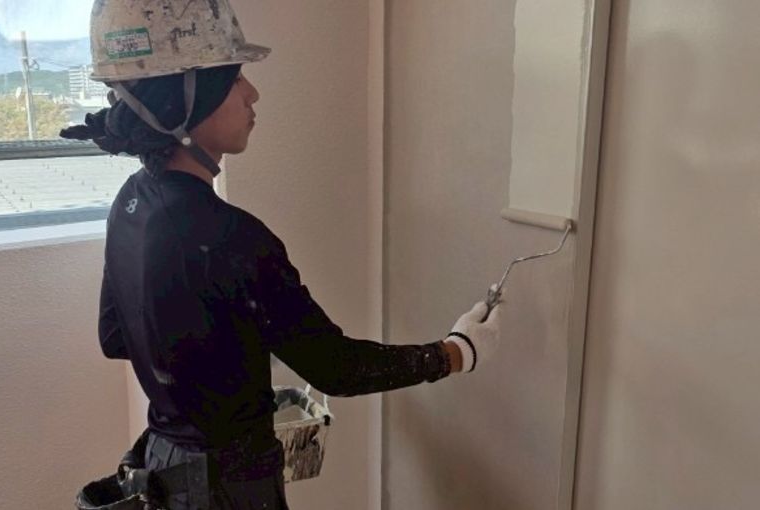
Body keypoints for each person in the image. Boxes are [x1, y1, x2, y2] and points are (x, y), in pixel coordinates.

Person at [63, 1, 505, 509]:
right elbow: (337, 370)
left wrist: (224, 348)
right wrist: (455, 353)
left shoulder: (131, 203)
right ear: (183, 101)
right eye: (233, 78)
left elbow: (116, 337)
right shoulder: (231, 237)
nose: (252, 93)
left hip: (162, 468)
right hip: (226, 489)